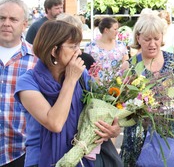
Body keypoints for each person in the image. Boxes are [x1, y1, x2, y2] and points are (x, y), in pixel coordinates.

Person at [15, 20, 120, 167]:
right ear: (53, 50)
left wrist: (114, 128)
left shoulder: (81, 75)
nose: (79, 52)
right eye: (73, 46)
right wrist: (70, 80)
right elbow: (55, 123)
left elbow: (103, 108)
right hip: (42, 161)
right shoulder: (27, 83)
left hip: (81, 158)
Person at [120, 13, 174, 166]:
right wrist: (138, 107)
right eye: (147, 39)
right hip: (139, 140)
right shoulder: (129, 66)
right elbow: (120, 105)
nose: (152, 44)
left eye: (156, 38)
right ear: (138, 38)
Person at [0, 0, 38, 167]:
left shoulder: (37, 60)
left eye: (13, 19)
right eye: (2, 18)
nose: (6, 23)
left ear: (24, 25)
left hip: (20, 153)